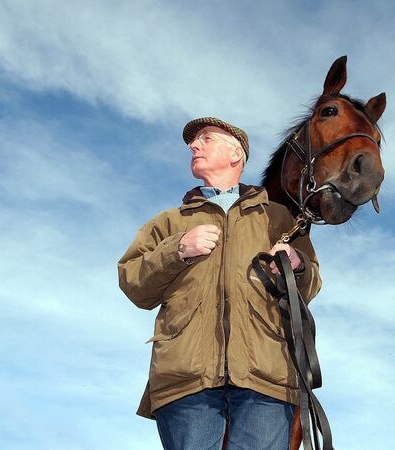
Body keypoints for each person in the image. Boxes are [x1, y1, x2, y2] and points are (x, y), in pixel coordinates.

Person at [118, 117, 322, 449]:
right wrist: (179, 249)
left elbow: (310, 285)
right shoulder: (169, 223)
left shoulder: (278, 218)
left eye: (205, 139)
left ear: (235, 155)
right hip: (186, 380)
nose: (193, 146)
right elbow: (134, 284)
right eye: (192, 143)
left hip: (265, 378)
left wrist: (296, 265)